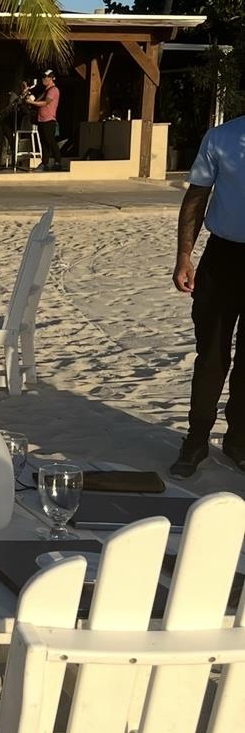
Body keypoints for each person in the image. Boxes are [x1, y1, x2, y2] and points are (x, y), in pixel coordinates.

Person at [171, 113, 245, 475]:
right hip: (223, 258)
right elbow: (197, 197)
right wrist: (185, 255)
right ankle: (196, 438)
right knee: (212, 353)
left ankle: (238, 441)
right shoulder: (221, 137)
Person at [25, 69, 63, 171]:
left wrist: (32, 103)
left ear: (51, 78)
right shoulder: (46, 91)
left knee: (50, 141)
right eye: (43, 77)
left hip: (49, 120)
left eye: (46, 77)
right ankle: (44, 163)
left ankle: (58, 162)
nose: (43, 79)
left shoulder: (54, 90)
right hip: (41, 120)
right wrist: (28, 95)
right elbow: (37, 101)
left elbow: (45, 103)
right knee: (44, 143)